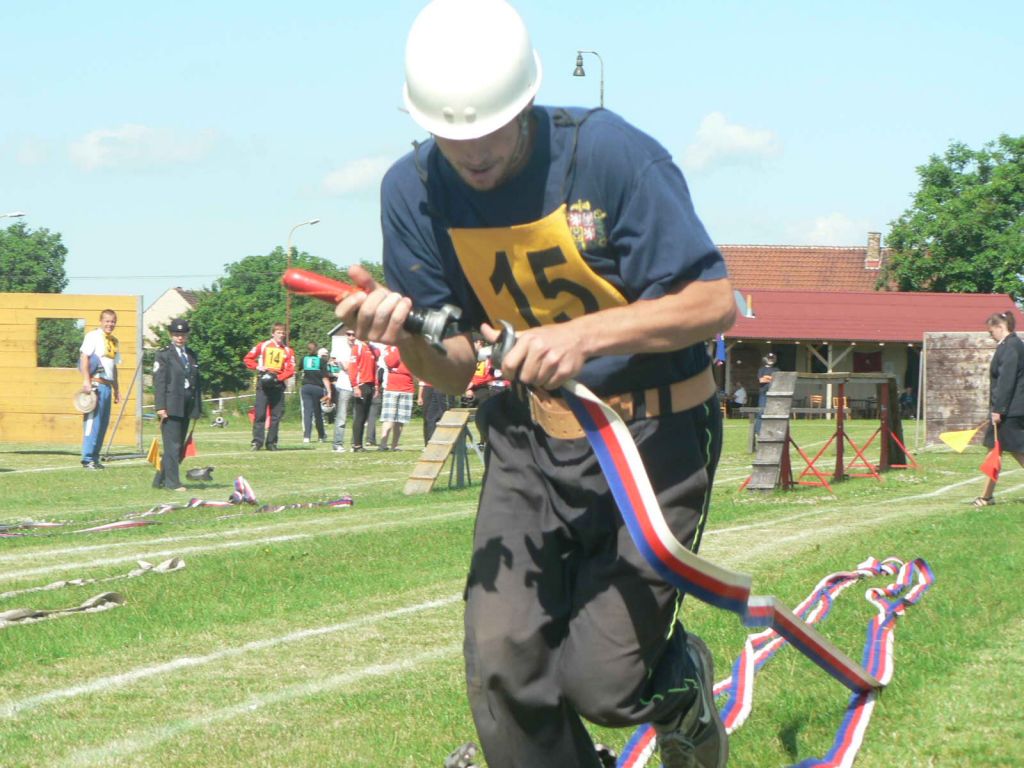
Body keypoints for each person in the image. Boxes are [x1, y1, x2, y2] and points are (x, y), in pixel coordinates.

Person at [334, 2, 735, 766]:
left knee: (603, 684)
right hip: (528, 438)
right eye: (453, 135)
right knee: (501, 663)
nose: (472, 152)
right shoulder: (412, 190)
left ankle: (679, 686)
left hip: (653, 438)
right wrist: (402, 336)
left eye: (489, 129)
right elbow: (450, 364)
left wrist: (580, 338)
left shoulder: (612, 155)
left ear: (526, 102)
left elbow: (714, 302)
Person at [974, 310, 1024, 507]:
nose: (990, 336)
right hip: (1010, 409)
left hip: (1009, 411)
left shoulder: (1010, 347)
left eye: (991, 331)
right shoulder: (1012, 345)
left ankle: (986, 497)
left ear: (1001, 327)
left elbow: (1006, 380)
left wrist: (999, 409)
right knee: (995, 451)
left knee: (1017, 451)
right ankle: (986, 496)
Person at [153, 318, 202, 490]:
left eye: (182, 335)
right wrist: (160, 406)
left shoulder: (191, 355)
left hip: (186, 404)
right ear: (171, 335)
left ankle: (159, 479)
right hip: (171, 404)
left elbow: (196, 382)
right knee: (172, 445)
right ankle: (172, 483)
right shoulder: (164, 354)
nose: (179, 338)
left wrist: (197, 407)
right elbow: (159, 382)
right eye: (176, 334)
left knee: (178, 445)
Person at [78, 308, 120, 469]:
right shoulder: (93, 336)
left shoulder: (114, 341)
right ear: (101, 321)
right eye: (107, 321)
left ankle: (95, 457)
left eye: (113, 321)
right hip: (95, 384)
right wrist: (86, 380)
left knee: (103, 423)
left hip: (107, 385)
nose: (110, 324)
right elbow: (84, 357)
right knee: (92, 422)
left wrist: (117, 389)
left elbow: (114, 366)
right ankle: (87, 458)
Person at [243, 322, 295, 451]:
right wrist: (258, 367)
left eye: (283, 333)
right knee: (260, 413)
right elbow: (248, 359)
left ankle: (272, 442)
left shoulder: (287, 350)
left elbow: (291, 369)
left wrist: (279, 377)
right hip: (264, 381)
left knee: (276, 415)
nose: (281, 335)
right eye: (278, 333)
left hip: (278, 383)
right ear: (273, 333)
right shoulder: (263, 345)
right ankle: (257, 442)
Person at [379, 345, 415, 450]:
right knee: (389, 418)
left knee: (401, 419)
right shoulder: (389, 348)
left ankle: (394, 445)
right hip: (392, 387)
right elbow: (391, 362)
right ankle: (383, 444)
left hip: (407, 387)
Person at [347, 335, 379, 451]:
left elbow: (375, 369)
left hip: (370, 385)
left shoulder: (372, 349)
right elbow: (352, 368)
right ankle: (356, 444)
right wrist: (355, 386)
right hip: (361, 385)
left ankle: (359, 444)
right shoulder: (358, 347)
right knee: (359, 415)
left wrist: (376, 386)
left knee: (365, 416)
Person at [299, 342, 332, 443]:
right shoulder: (321, 361)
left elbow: (300, 369)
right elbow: (325, 378)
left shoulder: (304, 359)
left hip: (306, 387)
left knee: (307, 412)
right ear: (317, 350)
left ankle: (306, 436)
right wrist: (329, 392)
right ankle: (321, 436)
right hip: (317, 388)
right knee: (318, 413)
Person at [330, 329, 356, 452]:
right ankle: (337, 443)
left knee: (358, 417)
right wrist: (357, 366)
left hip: (358, 386)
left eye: (354, 334)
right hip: (345, 385)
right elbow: (345, 367)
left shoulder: (360, 348)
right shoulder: (341, 349)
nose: (351, 337)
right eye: (349, 334)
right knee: (342, 416)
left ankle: (355, 444)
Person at [755, 352, 778, 434]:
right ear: (766, 359)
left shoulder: (776, 370)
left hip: (773, 393)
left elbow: (777, 380)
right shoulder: (761, 370)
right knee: (761, 411)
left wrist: (766, 377)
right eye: (769, 358)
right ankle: (758, 431)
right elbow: (761, 380)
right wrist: (771, 378)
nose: (770, 360)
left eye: (772, 358)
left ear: (774, 360)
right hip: (763, 393)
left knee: (773, 412)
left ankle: (771, 430)